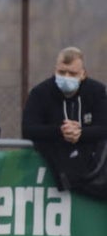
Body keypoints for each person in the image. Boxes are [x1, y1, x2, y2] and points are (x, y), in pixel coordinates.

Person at [22, 46, 107, 198]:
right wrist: (61, 131)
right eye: (61, 72)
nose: (66, 77)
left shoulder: (98, 91)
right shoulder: (40, 93)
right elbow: (28, 129)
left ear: (83, 74)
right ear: (55, 70)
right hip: (55, 167)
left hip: (94, 167)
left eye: (72, 73)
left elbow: (103, 126)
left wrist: (80, 133)